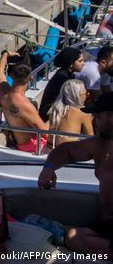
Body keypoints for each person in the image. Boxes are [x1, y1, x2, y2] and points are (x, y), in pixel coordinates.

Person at [38, 92, 113, 254]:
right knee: (74, 237)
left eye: (98, 115)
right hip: (108, 224)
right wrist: (49, 167)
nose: (94, 120)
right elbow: (66, 152)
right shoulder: (99, 144)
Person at [0, 50, 50, 153]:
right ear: (30, 78)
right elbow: (46, 134)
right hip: (34, 146)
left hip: (21, 143)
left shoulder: (4, 93)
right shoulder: (26, 106)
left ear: (11, 75)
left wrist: (5, 54)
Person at [39, 47, 86, 121]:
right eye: (80, 61)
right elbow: (70, 101)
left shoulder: (68, 74)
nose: (83, 63)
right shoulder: (62, 78)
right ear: (71, 64)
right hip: (50, 116)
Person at [47, 79, 94, 147]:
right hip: (70, 150)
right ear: (77, 96)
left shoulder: (55, 110)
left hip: (51, 148)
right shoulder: (83, 113)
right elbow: (91, 139)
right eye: (86, 93)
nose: (88, 94)